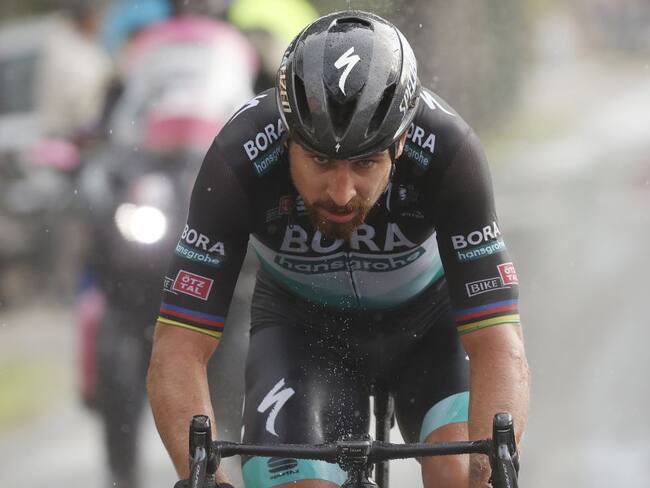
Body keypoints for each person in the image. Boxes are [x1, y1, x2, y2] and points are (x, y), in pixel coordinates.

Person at [147, 10, 530, 488]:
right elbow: (178, 346)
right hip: (301, 330)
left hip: (429, 326)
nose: (342, 192)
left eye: (365, 163)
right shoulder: (237, 158)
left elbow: (498, 343)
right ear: (287, 137)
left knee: (460, 471)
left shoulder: (449, 152)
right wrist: (203, 477)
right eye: (320, 160)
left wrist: (488, 474)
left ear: (401, 142)